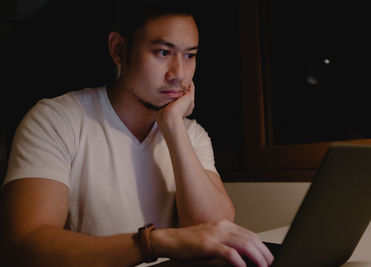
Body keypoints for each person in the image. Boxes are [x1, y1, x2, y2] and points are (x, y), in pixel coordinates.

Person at [0, 1, 274, 266]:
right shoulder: (56, 119)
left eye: (190, 55)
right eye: (163, 53)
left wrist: (174, 126)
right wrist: (152, 243)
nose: (179, 74)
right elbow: (24, 248)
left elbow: (212, 229)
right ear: (119, 50)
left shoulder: (192, 133)